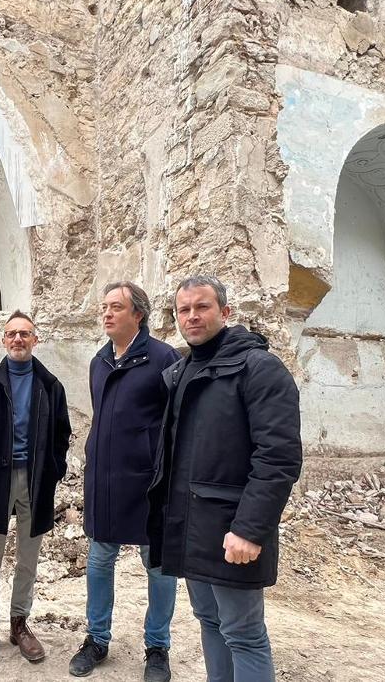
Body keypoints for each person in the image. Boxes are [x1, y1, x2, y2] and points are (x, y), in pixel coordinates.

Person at [146, 275, 303, 682]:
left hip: (233, 532)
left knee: (244, 634)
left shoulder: (259, 369)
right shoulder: (181, 373)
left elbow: (278, 458)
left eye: (202, 307)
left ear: (225, 312)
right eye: (184, 310)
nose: (192, 316)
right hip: (191, 529)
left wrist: (250, 530)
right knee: (210, 622)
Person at [70, 282, 182, 681]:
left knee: (157, 567)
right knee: (100, 560)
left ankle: (158, 647)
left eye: (116, 307)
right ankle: (97, 639)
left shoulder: (163, 358)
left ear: (138, 314)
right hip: (104, 479)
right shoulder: (99, 360)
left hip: (148, 483)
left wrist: (162, 471)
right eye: (104, 307)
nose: (106, 313)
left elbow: (174, 424)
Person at [0, 310, 73, 672]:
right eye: (11, 334)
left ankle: (20, 623)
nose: (18, 339)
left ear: (35, 340)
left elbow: (61, 434)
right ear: (3, 340)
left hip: (35, 480)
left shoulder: (50, 384)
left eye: (25, 334)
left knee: (28, 558)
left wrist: (54, 471)